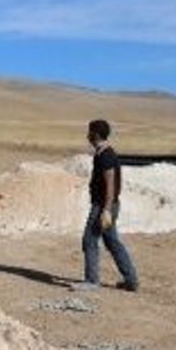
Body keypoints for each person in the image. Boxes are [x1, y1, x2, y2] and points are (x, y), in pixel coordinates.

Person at [72, 119, 139, 292]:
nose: (87, 135)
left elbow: (110, 183)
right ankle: (131, 280)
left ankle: (92, 281)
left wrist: (107, 210)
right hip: (108, 204)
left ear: (95, 134)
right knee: (112, 242)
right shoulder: (103, 153)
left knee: (89, 239)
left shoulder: (106, 156)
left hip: (103, 206)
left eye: (89, 132)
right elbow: (118, 183)